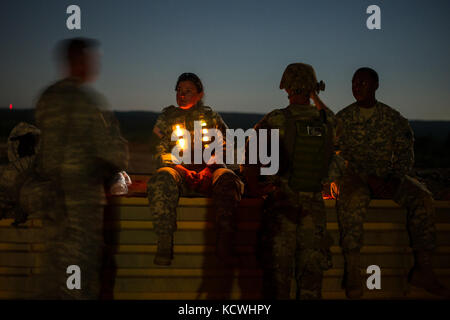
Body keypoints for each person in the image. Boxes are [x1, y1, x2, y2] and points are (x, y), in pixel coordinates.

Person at [335, 67, 450, 298]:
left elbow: (406, 152)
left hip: (388, 177)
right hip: (356, 177)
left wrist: (396, 179)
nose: (357, 87)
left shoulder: (392, 118)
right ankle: (353, 272)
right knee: (352, 200)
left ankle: (424, 269)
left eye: (362, 83)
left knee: (423, 197)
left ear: (376, 85)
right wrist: (368, 178)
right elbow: (337, 154)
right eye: (354, 83)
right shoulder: (343, 119)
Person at [33, 37, 129, 299]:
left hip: (53, 202)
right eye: (91, 59)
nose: (94, 65)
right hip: (82, 206)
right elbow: (113, 155)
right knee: (80, 279)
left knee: (55, 273)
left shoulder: (47, 97)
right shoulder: (88, 102)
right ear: (80, 62)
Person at [241, 63, 337, 299]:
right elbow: (336, 125)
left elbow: (251, 155)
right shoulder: (326, 121)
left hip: (281, 208)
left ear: (287, 88)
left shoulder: (276, 119)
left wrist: (255, 187)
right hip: (314, 210)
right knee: (311, 284)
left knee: (277, 282)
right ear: (312, 88)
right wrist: (316, 96)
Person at [147, 72, 244, 266]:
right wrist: (174, 165)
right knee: (162, 177)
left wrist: (214, 163)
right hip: (179, 172)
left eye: (188, 91)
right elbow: (156, 147)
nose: (181, 95)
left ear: (200, 94)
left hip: (210, 172)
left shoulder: (211, 117)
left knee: (228, 179)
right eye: (179, 91)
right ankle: (165, 243)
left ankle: (224, 247)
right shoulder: (167, 117)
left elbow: (228, 147)